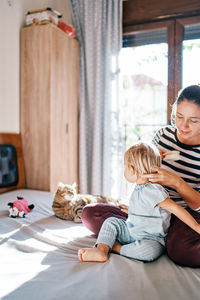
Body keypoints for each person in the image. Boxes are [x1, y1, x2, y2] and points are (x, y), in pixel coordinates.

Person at [81, 84, 200, 267]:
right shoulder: (163, 136)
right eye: (179, 116)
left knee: (181, 250)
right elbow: (141, 175)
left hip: (183, 214)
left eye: (193, 120)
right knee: (91, 213)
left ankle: (151, 242)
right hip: (146, 212)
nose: (183, 125)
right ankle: (142, 237)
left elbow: (197, 205)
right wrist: (136, 207)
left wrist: (177, 182)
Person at [78, 142, 200, 263]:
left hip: (152, 238)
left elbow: (176, 209)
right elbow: (148, 207)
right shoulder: (140, 187)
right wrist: (132, 210)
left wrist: (196, 227)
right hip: (132, 230)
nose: (124, 170)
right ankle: (101, 250)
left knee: (149, 251)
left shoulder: (153, 190)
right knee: (111, 222)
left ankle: (117, 247)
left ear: (131, 170)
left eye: (125, 166)